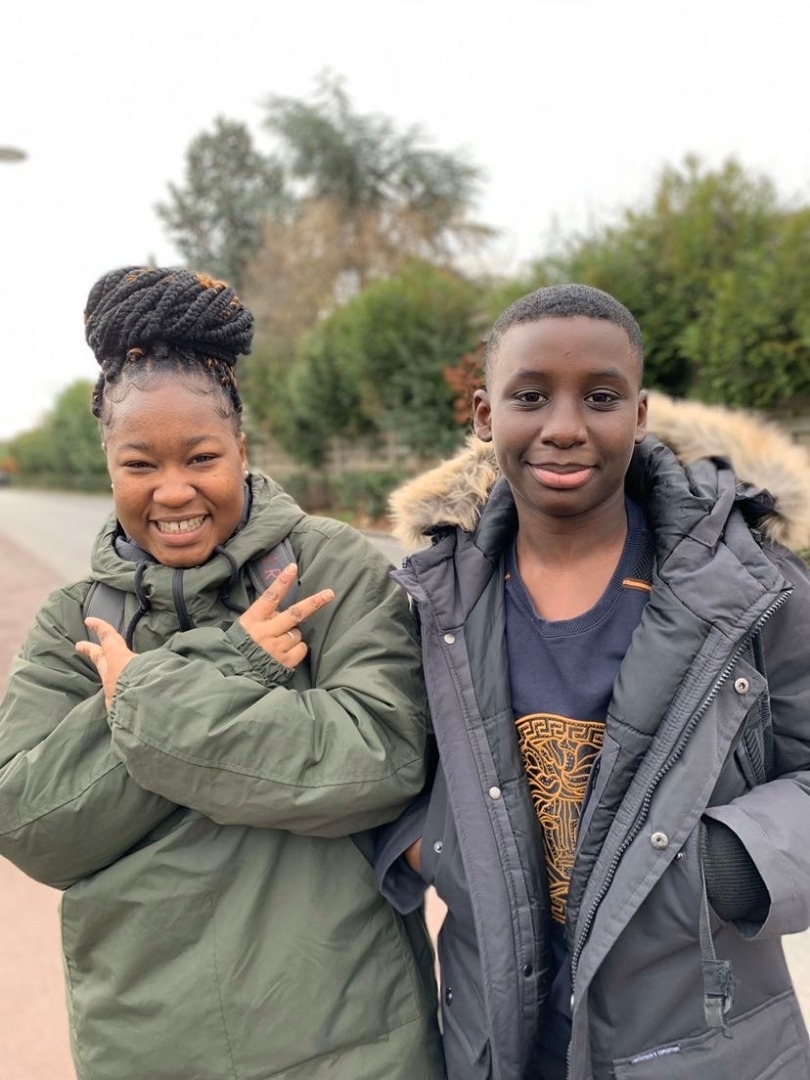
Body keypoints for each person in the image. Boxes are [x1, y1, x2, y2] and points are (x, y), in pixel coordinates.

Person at [0, 266, 445, 1080]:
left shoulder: (327, 567)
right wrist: (230, 659)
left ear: (242, 448)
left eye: (201, 457)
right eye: (140, 465)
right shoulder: (76, 618)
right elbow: (31, 826)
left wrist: (139, 697)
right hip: (145, 1049)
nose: (173, 492)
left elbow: (383, 759)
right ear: (108, 465)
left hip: (352, 1039)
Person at [375, 283, 810, 1079]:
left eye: (601, 398)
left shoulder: (750, 586)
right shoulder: (431, 601)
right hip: (500, 1041)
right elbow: (385, 763)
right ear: (484, 416)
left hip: (700, 1040)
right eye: (531, 397)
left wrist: (723, 863)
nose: (565, 427)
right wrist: (436, 850)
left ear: (639, 415)